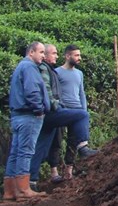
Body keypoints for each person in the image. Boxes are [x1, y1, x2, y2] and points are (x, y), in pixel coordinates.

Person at [28, 45, 96, 192]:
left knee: (41, 147)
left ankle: (32, 181)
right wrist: (56, 106)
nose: (56, 56)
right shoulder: (47, 70)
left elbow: (81, 93)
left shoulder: (53, 70)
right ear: (44, 55)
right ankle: (82, 148)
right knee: (55, 143)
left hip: (53, 111)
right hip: (53, 112)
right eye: (53, 53)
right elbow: (46, 91)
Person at [4, 42, 49, 200]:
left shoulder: (20, 66)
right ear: (31, 52)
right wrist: (39, 109)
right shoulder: (29, 67)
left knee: (15, 153)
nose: (44, 56)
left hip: (17, 115)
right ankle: (23, 190)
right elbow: (31, 90)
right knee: (25, 151)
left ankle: (10, 191)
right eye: (41, 52)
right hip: (29, 115)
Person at [50, 45, 90, 181]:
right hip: (63, 110)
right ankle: (54, 172)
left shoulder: (79, 74)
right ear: (68, 56)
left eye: (79, 55)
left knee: (73, 141)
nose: (79, 58)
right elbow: (55, 93)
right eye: (76, 55)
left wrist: (83, 110)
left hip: (77, 111)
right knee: (57, 140)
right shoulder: (57, 72)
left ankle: (69, 171)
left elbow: (81, 93)